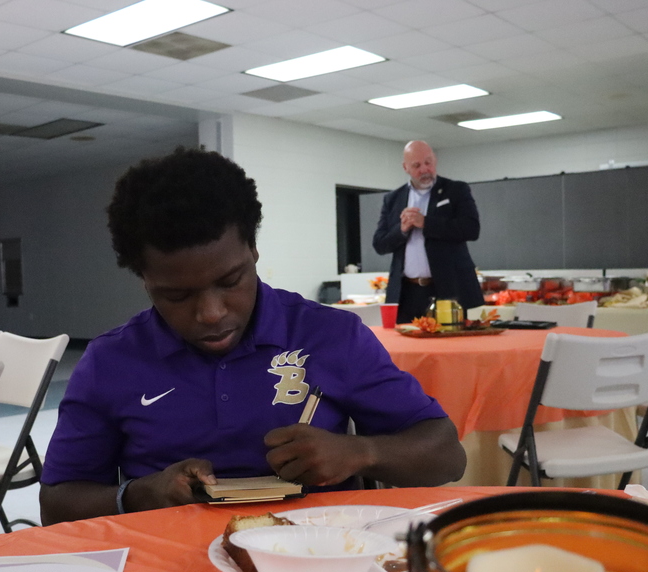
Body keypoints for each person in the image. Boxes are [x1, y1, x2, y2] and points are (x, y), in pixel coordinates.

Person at [40, 147, 465, 524]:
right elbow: (56, 504)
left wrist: (360, 453)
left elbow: (447, 457)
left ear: (253, 250)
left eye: (231, 281)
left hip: (317, 561)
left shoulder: (330, 335)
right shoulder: (110, 362)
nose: (211, 313)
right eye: (177, 295)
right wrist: (136, 495)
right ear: (144, 280)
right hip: (166, 570)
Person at [373, 140, 484, 323]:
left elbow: (471, 229)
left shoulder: (455, 190)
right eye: (417, 165)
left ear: (435, 161)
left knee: (452, 341)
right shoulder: (392, 199)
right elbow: (379, 244)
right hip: (407, 294)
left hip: (450, 290)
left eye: (428, 162)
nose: (424, 169)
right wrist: (402, 229)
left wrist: (426, 222)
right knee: (404, 341)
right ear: (405, 167)